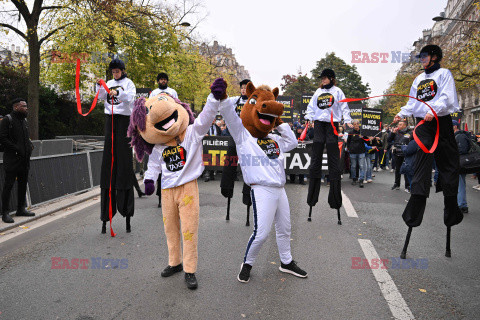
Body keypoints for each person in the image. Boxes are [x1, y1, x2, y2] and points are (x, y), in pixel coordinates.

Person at [219, 81, 307, 283]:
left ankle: (286, 262)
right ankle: (247, 264)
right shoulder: (243, 138)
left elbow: (292, 142)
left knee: (285, 230)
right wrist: (223, 98)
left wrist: (278, 121)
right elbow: (231, 118)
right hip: (261, 190)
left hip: (280, 189)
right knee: (261, 233)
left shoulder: (274, 139)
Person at [394, 44, 463, 257]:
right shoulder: (418, 79)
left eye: (424, 56)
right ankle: (414, 214)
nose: (422, 59)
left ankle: (451, 209)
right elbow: (412, 103)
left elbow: (446, 98)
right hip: (424, 126)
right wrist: (400, 114)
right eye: (420, 56)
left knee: (450, 166)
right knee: (421, 170)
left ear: (434, 57)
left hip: (440, 123)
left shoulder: (444, 74)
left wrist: (435, 110)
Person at [96, 58, 136, 234]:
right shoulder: (109, 82)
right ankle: (106, 214)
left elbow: (131, 99)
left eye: (117, 71)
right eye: (113, 72)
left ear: (122, 70)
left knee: (124, 161)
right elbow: (101, 97)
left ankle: (126, 210)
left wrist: (117, 94)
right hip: (110, 120)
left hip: (124, 121)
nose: (115, 74)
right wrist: (100, 87)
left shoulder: (128, 83)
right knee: (108, 161)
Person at [305, 68, 352, 216]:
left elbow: (344, 107)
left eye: (325, 78)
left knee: (333, 160)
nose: (323, 80)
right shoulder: (318, 92)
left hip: (332, 125)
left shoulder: (338, 91)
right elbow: (311, 106)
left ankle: (335, 199)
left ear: (331, 78)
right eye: (322, 78)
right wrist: (309, 117)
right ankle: (312, 198)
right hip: (319, 125)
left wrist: (347, 121)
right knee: (315, 160)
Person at [0, 98, 35, 223]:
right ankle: (5, 213)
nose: (26, 108)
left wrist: (29, 146)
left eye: (26, 106)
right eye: (24, 106)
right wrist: (17, 148)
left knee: (22, 184)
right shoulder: (7, 120)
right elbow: (3, 139)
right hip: (12, 159)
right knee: (8, 186)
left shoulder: (24, 120)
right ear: (16, 107)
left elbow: (25, 137)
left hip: (24, 160)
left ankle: (21, 208)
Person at [453, 120, 470, 214]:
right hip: (459, 163)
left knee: (460, 184)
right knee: (460, 184)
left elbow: (462, 150)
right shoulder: (459, 135)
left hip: (459, 163)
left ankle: (461, 205)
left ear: (455, 126)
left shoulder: (460, 136)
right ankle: (462, 204)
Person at [388, 120, 410, 191]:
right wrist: (392, 133)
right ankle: (397, 184)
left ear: (405, 126)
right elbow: (389, 140)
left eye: (400, 124)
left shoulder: (409, 133)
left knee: (406, 169)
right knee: (397, 169)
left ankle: (407, 186)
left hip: (406, 154)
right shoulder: (395, 132)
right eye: (398, 125)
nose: (398, 126)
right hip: (397, 153)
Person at [347, 120, 366, 188]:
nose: (356, 125)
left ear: (359, 124)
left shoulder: (362, 132)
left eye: (357, 124)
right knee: (353, 166)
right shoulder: (351, 132)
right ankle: (354, 179)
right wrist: (349, 149)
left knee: (361, 166)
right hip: (353, 152)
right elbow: (348, 142)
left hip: (361, 151)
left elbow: (366, 140)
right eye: (355, 124)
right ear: (353, 125)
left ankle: (361, 180)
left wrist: (367, 138)